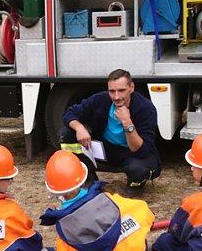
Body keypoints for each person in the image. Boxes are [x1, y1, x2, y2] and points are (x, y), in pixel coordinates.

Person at [39, 150, 156, 251]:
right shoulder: (111, 200)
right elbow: (144, 212)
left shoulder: (65, 232)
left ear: (54, 191)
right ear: (83, 177)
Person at [60, 68, 161, 196]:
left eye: (121, 90)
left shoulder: (146, 108)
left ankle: (136, 183)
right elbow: (70, 113)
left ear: (131, 87)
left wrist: (127, 123)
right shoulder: (101, 100)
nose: (116, 97)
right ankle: (89, 180)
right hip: (105, 149)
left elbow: (142, 150)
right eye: (112, 91)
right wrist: (80, 128)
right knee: (66, 133)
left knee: (139, 169)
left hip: (132, 154)